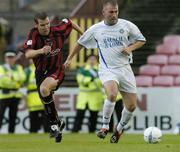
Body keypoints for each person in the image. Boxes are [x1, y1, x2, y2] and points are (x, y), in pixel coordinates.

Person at [64, 0, 146, 143]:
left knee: (131, 106)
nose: (114, 15)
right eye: (111, 12)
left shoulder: (127, 25)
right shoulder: (95, 29)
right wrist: (69, 59)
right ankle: (104, 127)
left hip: (125, 69)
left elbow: (141, 40)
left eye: (116, 12)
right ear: (104, 13)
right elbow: (80, 43)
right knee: (112, 93)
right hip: (107, 69)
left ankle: (119, 129)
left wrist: (130, 48)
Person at [21, 12, 83, 142]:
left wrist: (84, 34)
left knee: (44, 90)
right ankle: (57, 123)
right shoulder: (33, 34)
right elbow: (27, 54)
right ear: (36, 25)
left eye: (48, 23)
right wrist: (41, 51)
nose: (46, 27)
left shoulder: (58, 31)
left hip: (56, 69)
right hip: (40, 71)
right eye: (42, 25)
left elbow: (70, 22)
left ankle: (54, 125)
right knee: (45, 96)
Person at [72, 55, 103, 133]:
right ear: (87, 61)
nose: (92, 61)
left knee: (94, 116)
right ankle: (75, 131)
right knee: (79, 115)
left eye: (94, 59)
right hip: (83, 96)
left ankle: (91, 132)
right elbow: (80, 80)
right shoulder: (82, 70)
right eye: (90, 59)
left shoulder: (101, 70)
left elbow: (100, 82)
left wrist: (88, 81)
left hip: (95, 96)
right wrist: (92, 79)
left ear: (97, 61)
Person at [0, 50, 25, 133]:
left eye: (11, 57)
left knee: (13, 116)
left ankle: (11, 133)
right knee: (0, 115)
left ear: (14, 58)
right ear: (5, 58)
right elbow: (3, 81)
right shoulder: (1, 67)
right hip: (4, 95)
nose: (10, 59)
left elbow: (22, 78)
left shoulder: (19, 67)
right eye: (8, 57)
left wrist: (11, 76)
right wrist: (16, 78)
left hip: (15, 95)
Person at [24, 60, 49, 133]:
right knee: (37, 123)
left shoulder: (45, 69)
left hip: (41, 98)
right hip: (35, 99)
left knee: (43, 123)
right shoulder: (28, 70)